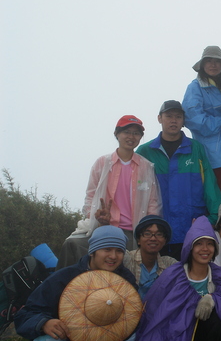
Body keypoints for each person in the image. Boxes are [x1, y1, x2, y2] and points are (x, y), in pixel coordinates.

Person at [15, 226, 138, 341]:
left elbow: (132, 316)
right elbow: (25, 315)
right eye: (107, 249)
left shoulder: (125, 280)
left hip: (104, 338)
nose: (113, 256)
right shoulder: (64, 277)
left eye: (119, 251)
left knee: (128, 338)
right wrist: (44, 323)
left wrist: (90, 340)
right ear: (92, 251)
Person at [56, 115, 162, 269]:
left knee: (127, 267)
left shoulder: (146, 167)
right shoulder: (102, 163)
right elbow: (90, 196)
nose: (131, 137)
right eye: (127, 132)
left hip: (132, 231)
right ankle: (63, 289)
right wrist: (94, 216)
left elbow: (153, 202)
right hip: (103, 227)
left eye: (136, 133)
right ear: (117, 134)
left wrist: (149, 228)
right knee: (72, 244)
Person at [136, 100, 221, 260]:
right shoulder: (145, 151)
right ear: (159, 118)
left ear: (184, 121)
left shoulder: (195, 148)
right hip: (157, 231)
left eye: (178, 116)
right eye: (169, 116)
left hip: (190, 228)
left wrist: (213, 217)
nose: (173, 120)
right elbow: (135, 190)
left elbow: (210, 185)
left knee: (189, 279)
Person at [182, 45, 221, 198]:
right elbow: (193, 119)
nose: (213, 65)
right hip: (210, 154)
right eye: (209, 61)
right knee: (215, 197)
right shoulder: (195, 87)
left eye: (217, 61)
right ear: (202, 65)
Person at [123, 215, 177, 299]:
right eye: (147, 234)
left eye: (159, 234)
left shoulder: (169, 264)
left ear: (165, 241)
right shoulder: (127, 259)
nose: (153, 238)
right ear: (138, 240)